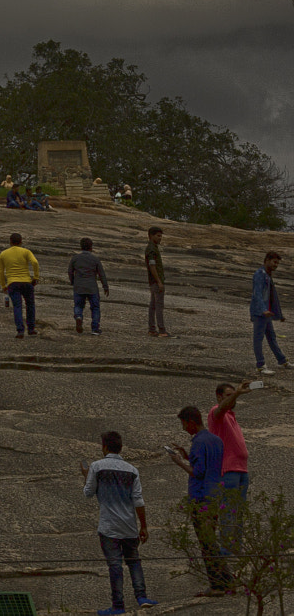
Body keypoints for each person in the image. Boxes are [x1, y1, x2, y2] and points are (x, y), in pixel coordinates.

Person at [82, 430, 151, 615]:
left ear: (104, 447)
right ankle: (142, 597)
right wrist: (143, 525)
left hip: (109, 526)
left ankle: (118, 606)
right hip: (129, 526)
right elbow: (138, 500)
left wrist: (85, 475)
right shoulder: (132, 470)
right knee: (134, 561)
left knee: (115, 565)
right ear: (120, 447)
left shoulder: (97, 467)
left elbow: (89, 492)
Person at [167, 405, 231, 596]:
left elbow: (198, 472)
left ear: (192, 422)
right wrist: (188, 455)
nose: (184, 428)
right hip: (215, 496)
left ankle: (218, 584)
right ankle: (225, 581)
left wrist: (180, 462)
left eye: (185, 424)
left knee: (207, 543)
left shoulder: (198, 442)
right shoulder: (216, 440)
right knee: (211, 540)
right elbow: (210, 463)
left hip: (201, 497)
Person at [207, 383, 253, 544]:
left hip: (241, 469)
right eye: (228, 395)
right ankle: (227, 550)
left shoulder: (231, 415)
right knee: (229, 512)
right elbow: (222, 408)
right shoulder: (216, 412)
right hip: (228, 470)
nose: (232, 398)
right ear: (219, 397)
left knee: (239, 513)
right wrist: (238, 394)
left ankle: (236, 548)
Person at [252, 251, 287, 374]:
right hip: (260, 313)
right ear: (266, 260)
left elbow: (272, 296)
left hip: (267, 313)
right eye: (274, 262)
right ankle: (260, 365)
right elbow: (257, 294)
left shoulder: (267, 275)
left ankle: (282, 361)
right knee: (258, 338)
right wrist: (263, 310)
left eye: (277, 263)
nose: (276, 265)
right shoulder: (259, 274)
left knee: (272, 338)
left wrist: (279, 314)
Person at [0, 233, 39, 338]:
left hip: (13, 283)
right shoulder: (26, 251)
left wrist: (3, 285)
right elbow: (35, 262)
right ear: (21, 242)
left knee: (17, 306)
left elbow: (1, 272)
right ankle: (31, 328)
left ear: (10, 242)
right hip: (26, 282)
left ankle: (20, 330)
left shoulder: (3, 254)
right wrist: (35, 277)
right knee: (30, 305)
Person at [69, 238, 110, 335]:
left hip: (79, 286)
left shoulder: (75, 258)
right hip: (92, 287)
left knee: (78, 305)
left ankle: (78, 317)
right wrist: (105, 286)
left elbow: (70, 271)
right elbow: (101, 274)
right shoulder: (95, 259)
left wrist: (73, 282)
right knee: (95, 307)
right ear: (91, 247)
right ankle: (95, 328)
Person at [145, 228, 169, 337]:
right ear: (151, 235)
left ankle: (152, 329)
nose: (160, 238)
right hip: (155, 281)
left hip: (153, 281)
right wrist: (159, 281)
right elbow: (152, 266)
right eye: (158, 236)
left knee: (153, 305)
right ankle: (161, 330)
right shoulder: (151, 249)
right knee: (158, 305)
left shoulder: (153, 248)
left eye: (161, 236)